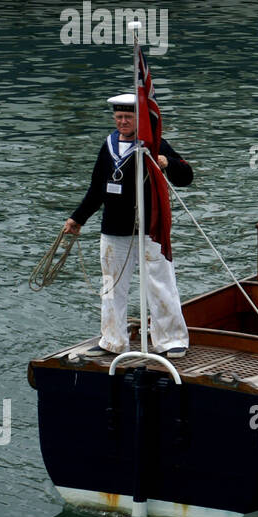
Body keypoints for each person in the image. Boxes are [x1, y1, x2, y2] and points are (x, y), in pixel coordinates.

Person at [62, 94, 193, 359]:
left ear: (139, 119)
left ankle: (171, 340)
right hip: (114, 229)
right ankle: (113, 340)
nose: (122, 121)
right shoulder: (109, 145)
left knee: (160, 284)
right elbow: (97, 188)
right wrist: (78, 218)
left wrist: (167, 163)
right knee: (111, 286)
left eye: (128, 117)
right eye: (119, 117)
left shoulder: (154, 145)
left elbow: (186, 176)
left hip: (150, 229)